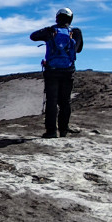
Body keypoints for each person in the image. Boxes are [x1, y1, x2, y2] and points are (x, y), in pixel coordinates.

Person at [29, 8, 83, 138]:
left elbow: (33, 36)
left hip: (52, 71)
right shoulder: (75, 32)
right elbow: (78, 49)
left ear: (57, 17)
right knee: (65, 102)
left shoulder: (50, 31)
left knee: (51, 101)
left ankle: (51, 131)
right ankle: (63, 129)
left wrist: (47, 30)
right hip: (68, 71)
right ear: (70, 18)